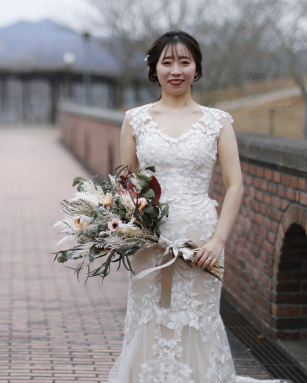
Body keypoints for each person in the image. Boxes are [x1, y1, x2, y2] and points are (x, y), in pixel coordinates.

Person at [108, 31, 285, 383]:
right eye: (168, 62)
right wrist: (128, 230)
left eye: (185, 62)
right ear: (154, 69)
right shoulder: (135, 119)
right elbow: (125, 184)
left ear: (197, 69)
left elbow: (235, 184)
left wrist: (218, 241)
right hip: (149, 240)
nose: (176, 70)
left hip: (201, 238)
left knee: (198, 317)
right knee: (150, 317)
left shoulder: (217, 121)